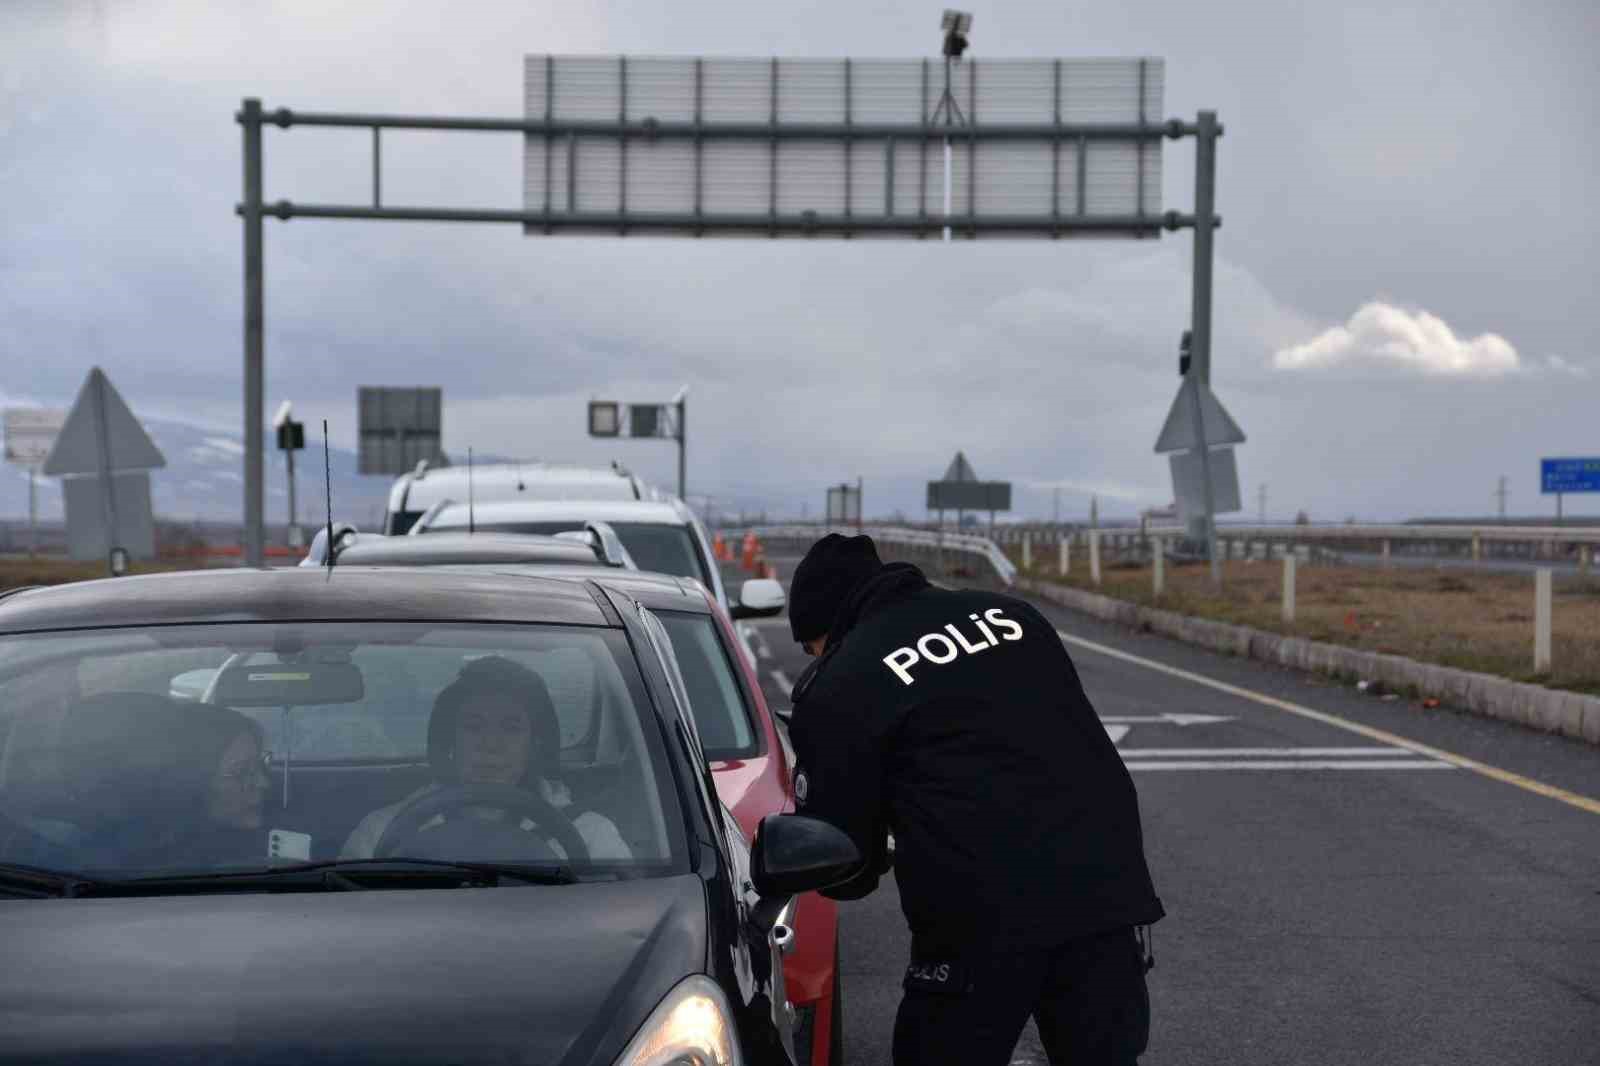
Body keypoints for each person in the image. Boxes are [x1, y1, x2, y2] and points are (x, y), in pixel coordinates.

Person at [785, 534, 1164, 1066]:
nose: (812, 658)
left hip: (982, 920)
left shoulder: (845, 680)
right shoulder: (1012, 615)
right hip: (1106, 893)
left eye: (810, 647)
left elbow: (845, 861)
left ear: (826, 629)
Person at [341, 656, 629, 861]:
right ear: (449, 740)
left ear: (535, 744)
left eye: (511, 728)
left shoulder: (590, 835)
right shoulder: (382, 832)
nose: (491, 745)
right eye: (474, 727)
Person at [57, 693, 271, 869]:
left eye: (261, 765)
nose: (263, 783)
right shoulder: (116, 865)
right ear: (192, 782)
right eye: (242, 773)